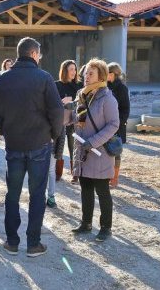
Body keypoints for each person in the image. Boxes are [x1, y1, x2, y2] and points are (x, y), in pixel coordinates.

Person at [0, 37, 63, 257]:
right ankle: (33, 244)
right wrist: (53, 134)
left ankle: (11, 242)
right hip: (39, 143)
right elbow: (57, 111)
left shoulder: (2, 78)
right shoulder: (44, 77)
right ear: (33, 54)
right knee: (37, 194)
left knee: (13, 194)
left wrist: (5, 129)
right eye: (39, 54)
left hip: (14, 144)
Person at [62, 58, 119, 242]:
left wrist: (93, 142)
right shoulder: (81, 94)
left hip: (99, 151)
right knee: (85, 188)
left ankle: (105, 227)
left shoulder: (107, 97)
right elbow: (73, 118)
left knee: (102, 191)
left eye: (91, 73)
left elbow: (113, 124)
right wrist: (61, 110)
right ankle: (86, 223)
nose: (86, 76)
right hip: (83, 151)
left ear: (100, 75)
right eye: (85, 73)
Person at [55, 60, 83, 183]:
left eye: (75, 69)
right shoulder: (57, 85)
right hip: (60, 120)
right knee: (59, 147)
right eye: (71, 69)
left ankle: (75, 173)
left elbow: (83, 102)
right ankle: (57, 173)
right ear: (64, 71)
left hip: (74, 120)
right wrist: (62, 101)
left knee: (74, 147)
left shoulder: (79, 85)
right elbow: (52, 102)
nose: (74, 72)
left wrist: (74, 102)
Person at [107, 62, 130, 188]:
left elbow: (125, 109)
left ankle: (114, 178)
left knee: (116, 151)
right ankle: (107, 175)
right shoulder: (104, 86)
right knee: (105, 151)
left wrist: (118, 122)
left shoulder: (122, 88)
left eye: (108, 73)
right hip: (105, 124)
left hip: (117, 125)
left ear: (114, 74)